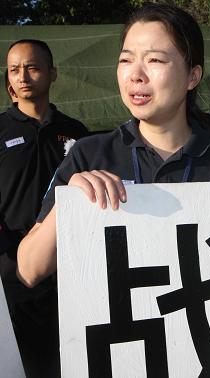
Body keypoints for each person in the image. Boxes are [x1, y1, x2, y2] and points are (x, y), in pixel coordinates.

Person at [17, 4, 210, 290]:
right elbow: (29, 269)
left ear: (192, 76)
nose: (135, 75)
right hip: (120, 331)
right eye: (126, 60)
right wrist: (70, 202)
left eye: (155, 60)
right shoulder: (88, 154)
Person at [0, 39, 89, 377]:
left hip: (69, 272)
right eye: (14, 69)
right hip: (13, 274)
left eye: (33, 67)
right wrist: (10, 258)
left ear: (52, 74)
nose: (23, 76)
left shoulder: (75, 134)